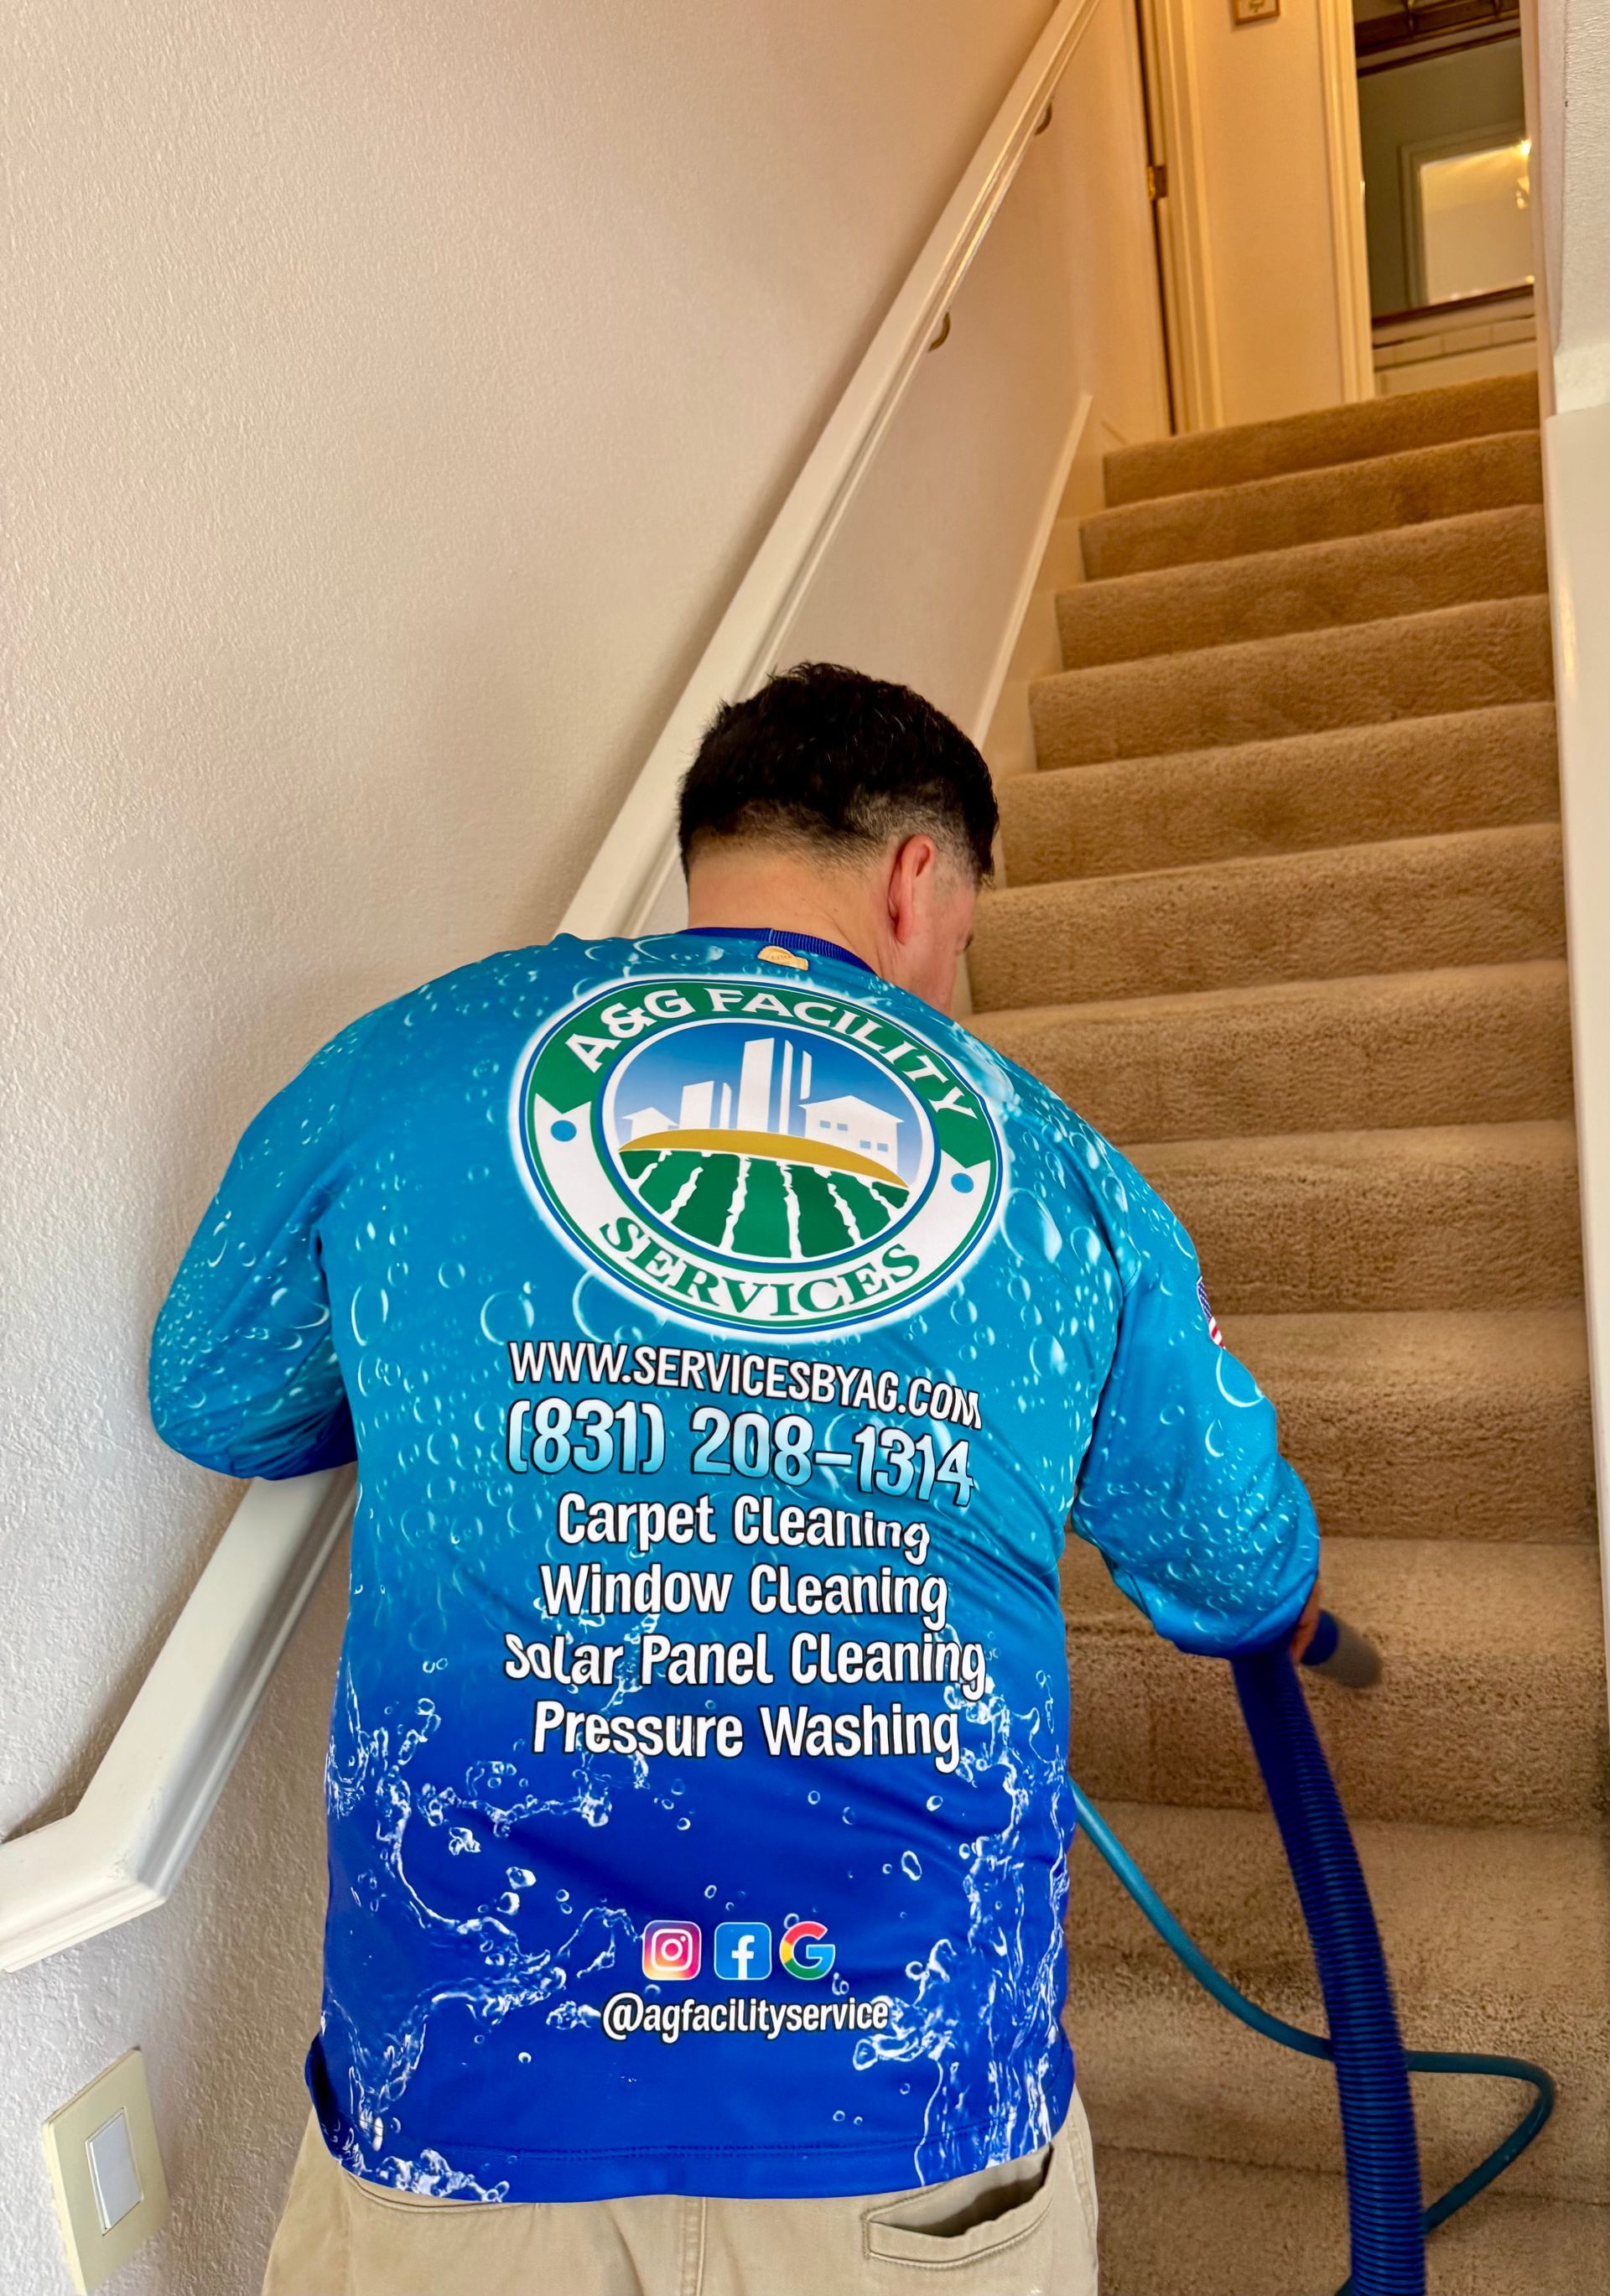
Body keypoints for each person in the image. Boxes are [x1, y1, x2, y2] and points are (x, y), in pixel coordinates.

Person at [150, 661, 1320, 2296]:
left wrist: (477, 1388)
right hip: (906, 2112)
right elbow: (1233, 1556)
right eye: (965, 924)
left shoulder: (414, 1062)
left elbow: (214, 1390)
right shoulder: (1058, 1169)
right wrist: (1284, 1600)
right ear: (917, 877)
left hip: (474, 2116)